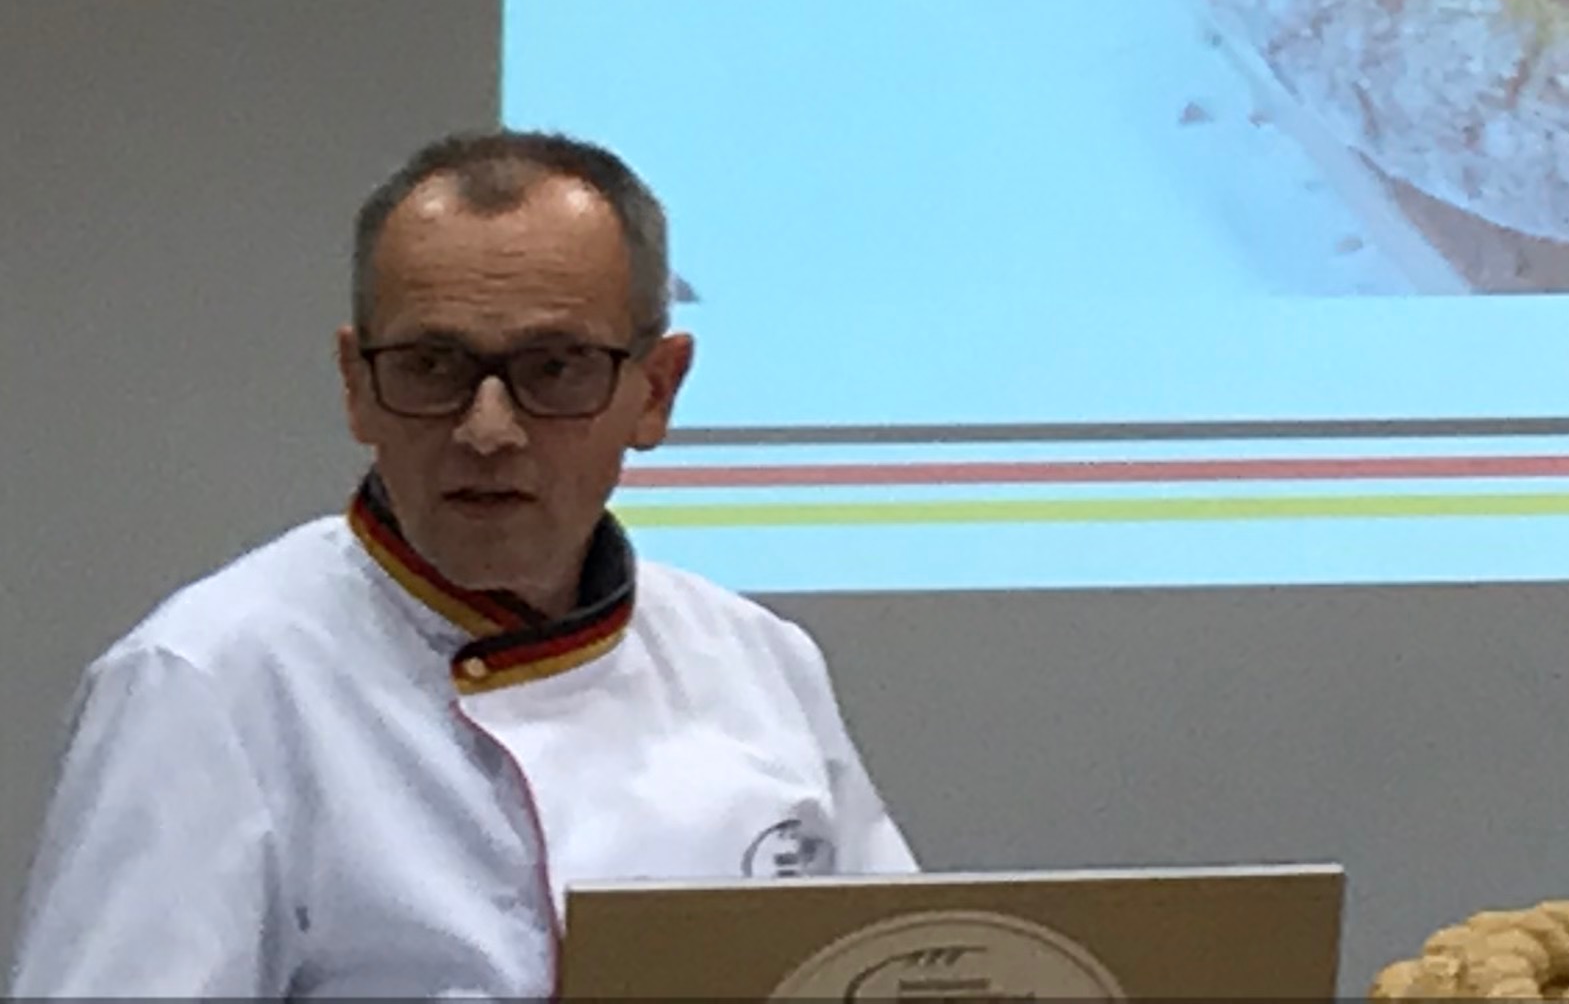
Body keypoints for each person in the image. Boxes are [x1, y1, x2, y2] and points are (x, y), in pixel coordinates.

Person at [8, 129, 913, 998]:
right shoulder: (207, 681)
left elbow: (898, 964)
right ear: (357, 386)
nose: (487, 430)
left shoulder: (762, 661)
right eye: (431, 366)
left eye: (555, 368)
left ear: (656, 391)